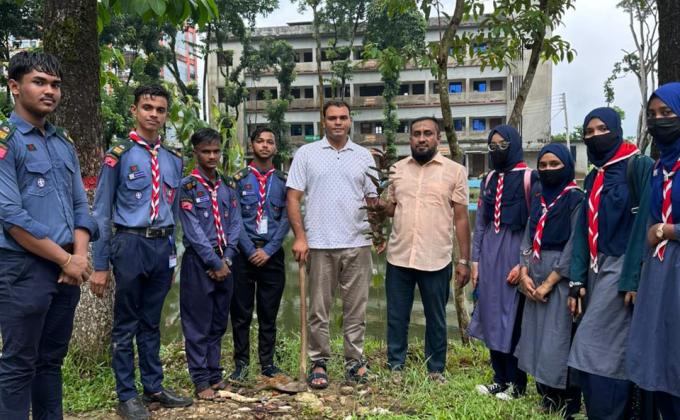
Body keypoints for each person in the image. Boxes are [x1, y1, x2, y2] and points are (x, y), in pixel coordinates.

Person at [0, 51, 98, 420]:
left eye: (55, 85)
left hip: (67, 270)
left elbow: (80, 205)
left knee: (50, 362)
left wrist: (79, 257)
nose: (49, 91)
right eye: (39, 82)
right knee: (18, 363)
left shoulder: (63, 143)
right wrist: (65, 258)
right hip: (24, 268)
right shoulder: (6, 141)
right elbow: (11, 217)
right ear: (15, 86)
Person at [91, 85, 192, 419]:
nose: (154, 114)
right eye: (147, 107)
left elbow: (174, 213)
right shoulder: (119, 155)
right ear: (134, 110)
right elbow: (101, 212)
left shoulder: (173, 159)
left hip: (161, 246)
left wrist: (173, 257)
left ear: (166, 115)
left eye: (160, 110)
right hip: (130, 243)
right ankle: (126, 395)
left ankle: (153, 386)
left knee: (151, 321)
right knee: (126, 323)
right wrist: (100, 264)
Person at [567, 107, 652, 420]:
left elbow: (646, 223)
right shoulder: (594, 176)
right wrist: (576, 279)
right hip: (594, 268)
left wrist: (633, 278)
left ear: (617, 129)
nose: (595, 136)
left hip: (622, 268)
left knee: (596, 346)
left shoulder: (638, 167)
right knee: (601, 348)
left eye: (602, 129)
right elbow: (583, 229)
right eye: (589, 132)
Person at [286, 100, 377, 389]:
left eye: (343, 117)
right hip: (319, 243)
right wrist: (300, 237)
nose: (338, 122)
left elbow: (373, 201)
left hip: (357, 242)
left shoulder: (364, 156)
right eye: (332, 118)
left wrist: (380, 230)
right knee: (318, 310)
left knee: (356, 309)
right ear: (323, 121)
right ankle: (318, 361)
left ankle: (354, 361)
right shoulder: (307, 154)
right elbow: (293, 198)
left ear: (350, 121)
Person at [374, 117, 470, 383]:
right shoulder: (397, 170)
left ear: (438, 138)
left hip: (435, 257)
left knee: (436, 317)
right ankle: (395, 365)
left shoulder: (455, 171)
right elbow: (392, 209)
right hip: (400, 256)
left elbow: (462, 218)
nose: (422, 138)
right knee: (396, 316)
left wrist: (464, 260)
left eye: (428, 133)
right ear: (410, 139)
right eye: (416, 133)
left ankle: (435, 369)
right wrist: (378, 206)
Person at [468, 124, 538, 400]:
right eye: (492, 146)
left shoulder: (530, 178)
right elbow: (480, 224)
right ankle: (499, 379)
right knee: (490, 315)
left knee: (513, 320)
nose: (497, 150)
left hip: (515, 256)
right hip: (489, 255)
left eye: (503, 145)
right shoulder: (488, 179)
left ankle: (517, 384)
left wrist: (523, 264)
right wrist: (475, 261)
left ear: (515, 145)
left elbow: (535, 225)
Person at [515, 144, 583, 418]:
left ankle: (568, 401)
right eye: (543, 165)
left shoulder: (575, 198)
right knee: (536, 336)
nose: (547, 169)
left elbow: (575, 243)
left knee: (558, 337)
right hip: (534, 270)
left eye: (554, 164)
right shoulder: (539, 196)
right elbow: (527, 236)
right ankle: (547, 396)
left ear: (567, 166)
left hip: (559, 277)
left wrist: (550, 282)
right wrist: (524, 273)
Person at [627, 82, 680, 419]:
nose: (659, 120)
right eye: (653, 114)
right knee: (660, 358)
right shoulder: (659, 168)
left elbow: (657, 228)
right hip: (658, 274)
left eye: (668, 113)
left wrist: (666, 230)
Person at [178, 128, 241, 400]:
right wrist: (215, 262)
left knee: (218, 321)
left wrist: (227, 258)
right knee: (197, 324)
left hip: (226, 260)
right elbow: (193, 231)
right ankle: (201, 379)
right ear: (195, 152)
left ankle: (215, 374)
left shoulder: (227, 185)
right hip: (200, 262)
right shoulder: (187, 187)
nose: (212, 156)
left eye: (216, 151)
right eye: (206, 152)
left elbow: (236, 223)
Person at [229, 127, 290, 382]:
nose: (265, 145)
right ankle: (241, 364)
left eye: (270, 142)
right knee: (241, 313)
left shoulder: (285, 182)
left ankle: (267, 363)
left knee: (268, 313)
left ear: (275, 147)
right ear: (251, 145)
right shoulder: (238, 180)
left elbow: (287, 219)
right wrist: (249, 249)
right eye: (260, 141)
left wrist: (268, 250)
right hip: (243, 255)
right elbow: (234, 218)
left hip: (272, 254)